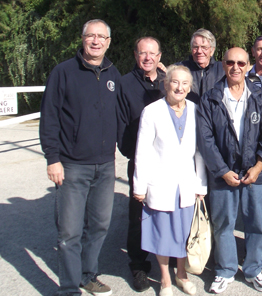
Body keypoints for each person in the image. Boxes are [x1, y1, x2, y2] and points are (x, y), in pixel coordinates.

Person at [39, 19, 120, 296]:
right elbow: (49, 118)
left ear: (108, 42)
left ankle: (88, 275)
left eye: (101, 37)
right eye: (91, 36)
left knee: (99, 226)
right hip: (72, 165)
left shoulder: (113, 73)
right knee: (69, 232)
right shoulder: (63, 72)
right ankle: (69, 288)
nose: (96, 41)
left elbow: (123, 112)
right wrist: (53, 158)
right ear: (83, 39)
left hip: (106, 165)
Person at [196, 47, 262, 294]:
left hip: (256, 174)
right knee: (223, 225)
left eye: (241, 63)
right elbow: (205, 139)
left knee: (256, 225)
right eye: (230, 62)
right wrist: (221, 171)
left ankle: (254, 269)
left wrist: (259, 165)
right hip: (224, 176)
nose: (236, 67)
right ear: (223, 65)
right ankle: (225, 270)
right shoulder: (210, 98)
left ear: (247, 65)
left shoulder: (260, 96)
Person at [133, 65, 207, 296]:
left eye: (185, 83)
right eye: (175, 82)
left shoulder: (196, 110)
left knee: (184, 232)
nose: (180, 87)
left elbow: (200, 152)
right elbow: (142, 152)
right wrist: (139, 185)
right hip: (160, 183)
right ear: (166, 84)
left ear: (190, 87)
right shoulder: (152, 111)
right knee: (162, 232)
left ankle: (181, 274)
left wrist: (201, 184)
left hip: (186, 183)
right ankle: (165, 279)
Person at [117, 37, 166, 292]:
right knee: (138, 215)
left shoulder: (168, 82)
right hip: (141, 161)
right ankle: (138, 265)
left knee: (168, 211)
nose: (147, 58)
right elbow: (122, 127)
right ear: (136, 55)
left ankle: (170, 262)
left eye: (152, 53)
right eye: (142, 53)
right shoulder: (125, 85)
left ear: (160, 56)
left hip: (169, 163)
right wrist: (135, 156)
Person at [178, 28, 225, 104]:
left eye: (204, 47)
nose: (199, 51)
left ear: (212, 50)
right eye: (195, 47)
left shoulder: (223, 70)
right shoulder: (180, 69)